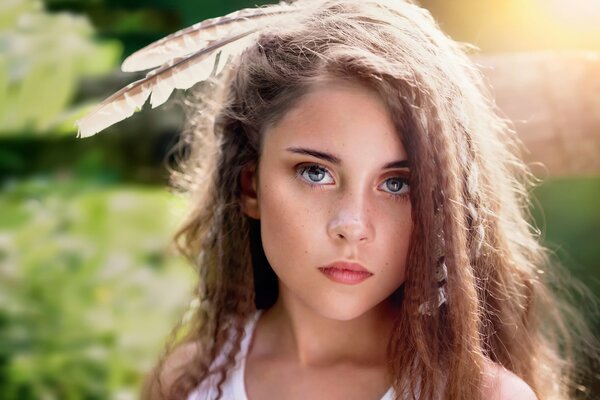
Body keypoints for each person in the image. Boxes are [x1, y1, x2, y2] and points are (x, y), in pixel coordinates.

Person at [76, 0, 593, 399]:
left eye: (398, 183)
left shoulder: (478, 395)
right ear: (250, 185)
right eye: (315, 172)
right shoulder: (190, 380)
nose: (352, 224)